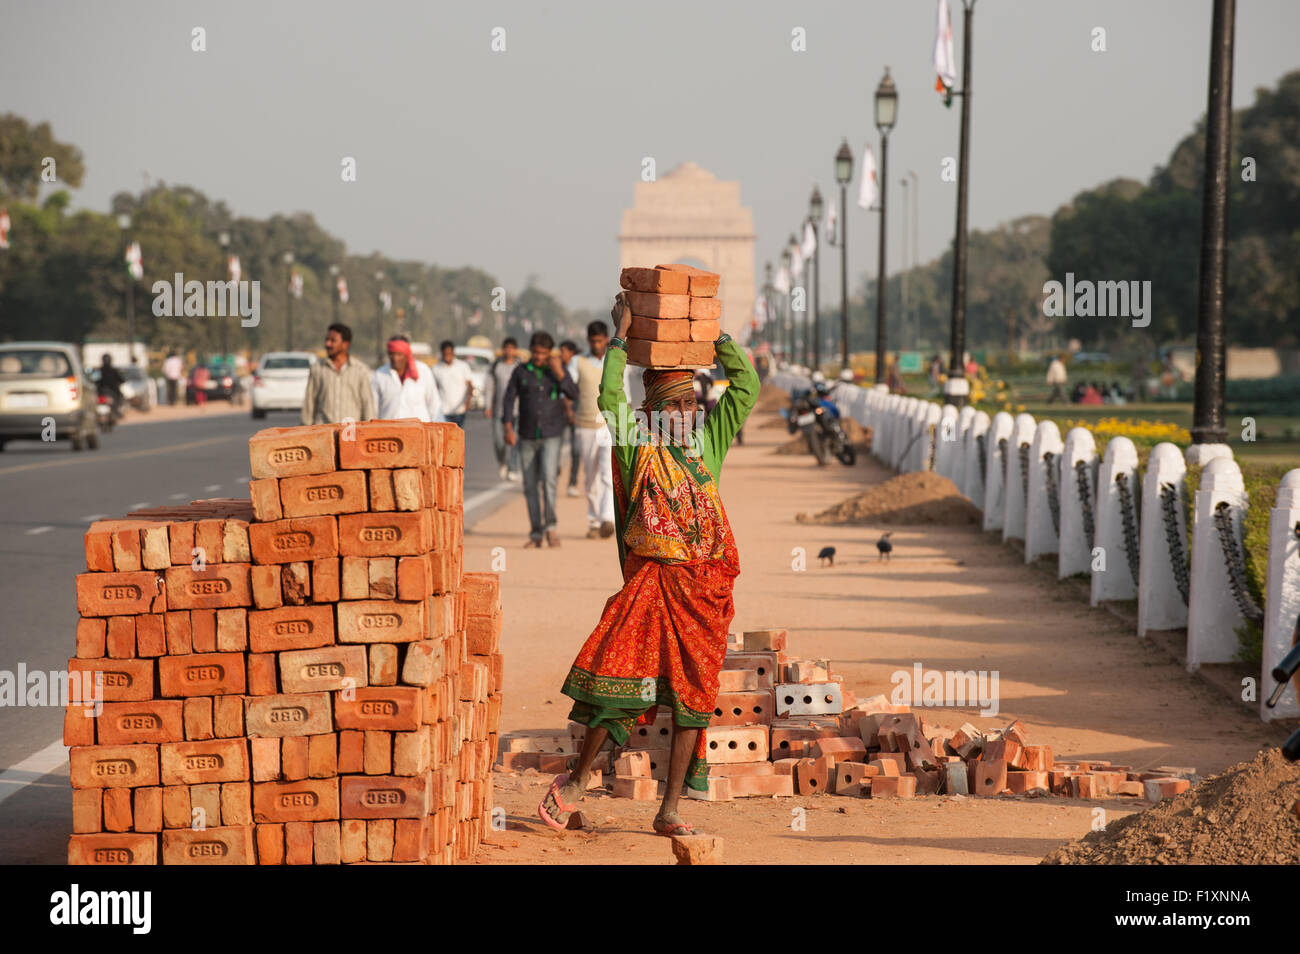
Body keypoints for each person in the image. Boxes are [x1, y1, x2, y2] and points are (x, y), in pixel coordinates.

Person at [538, 292, 759, 837]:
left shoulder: (709, 443)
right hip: (654, 583)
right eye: (673, 406)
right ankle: (574, 784)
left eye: (691, 405)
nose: (685, 414)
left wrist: (717, 337)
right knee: (619, 676)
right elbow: (609, 394)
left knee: (693, 699)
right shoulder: (639, 445)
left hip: (703, 592)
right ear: (654, 412)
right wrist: (621, 335)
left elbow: (747, 387)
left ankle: (669, 810)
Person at [502, 331, 579, 548]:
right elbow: (508, 399)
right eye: (535, 352)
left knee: (549, 480)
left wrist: (559, 372)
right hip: (526, 434)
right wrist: (508, 426)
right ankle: (536, 532)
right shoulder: (521, 371)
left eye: (543, 353)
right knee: (530, 485)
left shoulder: (556, 370)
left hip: (552, 434)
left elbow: (574, 393)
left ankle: (551, 528)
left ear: (549, 353)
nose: (538, 357)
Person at [569, 322, 618, 539]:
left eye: (600, 341)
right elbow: (568, 388)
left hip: (609, 425)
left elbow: (623, 390)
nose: (597, 345)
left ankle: (608, 518)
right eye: (593, 341)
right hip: (585, 426)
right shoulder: (577, 362)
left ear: (606, 339)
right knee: (590, 478)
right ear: (588, 341)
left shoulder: (614, 361)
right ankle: (594, 521)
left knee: (608, 474)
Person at [300, 323, 375, 425]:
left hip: (351, 433)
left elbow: (367, 404)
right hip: (323, 432)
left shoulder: (360, 370)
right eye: (327, 340)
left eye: (333, 341)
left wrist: (370, 430)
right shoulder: (318, 368)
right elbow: (309, 403)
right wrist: (305, 430)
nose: (328, 344)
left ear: (345, 344)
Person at [371, 335, 443, 422]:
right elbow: (373, 408)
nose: (395, 358)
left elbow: (434, 404)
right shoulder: (379, 375)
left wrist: (439, 429)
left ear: (407, 354)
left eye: (399, 354)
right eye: (392, 354)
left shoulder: (423, 371)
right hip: (389, 431)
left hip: (419, 431)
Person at [484, 337, 522, 481]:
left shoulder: (520, 367)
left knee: (515, 440)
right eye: (507, 348)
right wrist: (488, 405)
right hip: (499, 411)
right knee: (499, 441)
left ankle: (513, 468)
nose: (509, 351)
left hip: (516, 411)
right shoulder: (496, 367)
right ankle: (502, 462)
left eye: (512, 348)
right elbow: (489, 387)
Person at [432, 340, 475, 427]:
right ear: (442, 353)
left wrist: (468, 401)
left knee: (457, 438)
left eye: (450, 353)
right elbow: (433, 389)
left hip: (459, 410)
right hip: (443, 410)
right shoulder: (436, 368)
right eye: (445, 353)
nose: (448, 356)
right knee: (445, 438)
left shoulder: (462, 366)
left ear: (453, 353)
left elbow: (470, 386)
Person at [559, 339, 581, 496]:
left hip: (576, 412)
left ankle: (572, 482)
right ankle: (553, 472)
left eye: (563, 351)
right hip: (559, 413)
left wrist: (571, 411)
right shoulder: (558, 367)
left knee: (576, 449)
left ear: (572, 353)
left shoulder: (578, 366)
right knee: (556, 445)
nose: (561, 354)